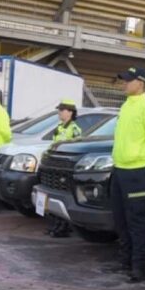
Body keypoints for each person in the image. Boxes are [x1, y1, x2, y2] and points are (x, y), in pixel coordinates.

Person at [111, 66, 145, 283]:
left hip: (136, 172)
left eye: (128, 80)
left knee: (135, 221)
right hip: (119, 170)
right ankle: (125, 262)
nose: (124, 83)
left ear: (140, 83)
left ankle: (139, 268)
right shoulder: (126, 106)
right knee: (120, 219)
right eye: (124, 79)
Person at [46, 99, 82, 237]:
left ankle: (64, 228)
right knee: (53, 196)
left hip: (65, 168)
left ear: (70, 112)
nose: (59, 113)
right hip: (54, 166)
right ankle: (56, 225)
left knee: (63, 196)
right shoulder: (59, 128)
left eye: (62, 110)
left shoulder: (75, 130)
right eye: (59, 110)